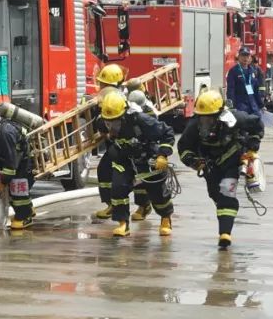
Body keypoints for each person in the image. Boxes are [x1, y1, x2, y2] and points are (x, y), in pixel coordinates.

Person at [178, 90, 264, 249]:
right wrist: (193, 161)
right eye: (202, 117)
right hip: (209, 165)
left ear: (219, 114)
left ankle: (225, 233)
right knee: (215, 194)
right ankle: (226, 212)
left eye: (209, 118)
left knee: (227, 192)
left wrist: (253, 146)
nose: (205, 121)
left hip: (232, 160)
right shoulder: (194, 125)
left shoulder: (236, 119)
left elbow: (257, 125)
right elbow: (184, 147)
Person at [98, 91, 175, 238]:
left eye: (116, 122)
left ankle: (165, 218)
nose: (111, 126)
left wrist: (162, 154)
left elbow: (167, 132)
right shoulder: (103, 120)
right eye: (109, 122)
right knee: (118, 188)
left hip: (146, 159)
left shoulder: (140, 119)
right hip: (124, 159)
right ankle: (122, 224)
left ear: (124, 114)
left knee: (157, 193)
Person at [91, 64, 151, 221]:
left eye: (104, 84)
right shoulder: (107, 98)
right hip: (117, 145)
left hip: (135, 144)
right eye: (101, 84)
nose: (101, 87)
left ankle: (144, 206)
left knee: (139, 175)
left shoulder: (129, 99)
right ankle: (111, 204)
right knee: (104, 170)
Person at [225, 47, 264, 114]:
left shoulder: (252, 71)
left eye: (247, 56)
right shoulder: (233, 71)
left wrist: (261, 105)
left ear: (249, 57)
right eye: (243, 55)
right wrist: (232, 107)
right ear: (239, 57)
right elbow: (230, 90)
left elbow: (256, 90)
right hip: (240, 107)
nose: (245, 58)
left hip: (253, 107)